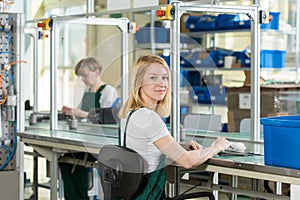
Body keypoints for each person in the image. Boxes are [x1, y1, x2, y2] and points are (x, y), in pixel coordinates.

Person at [118, 54, 231, 199]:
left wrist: (179, 146)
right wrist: (216, 147)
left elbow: (147, 147)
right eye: (153, 78)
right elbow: (187, 161)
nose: (162, 84)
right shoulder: (149, 118)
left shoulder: (131, 114)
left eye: (164, 78)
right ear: (139, 82)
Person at [60, 57, 119, 200]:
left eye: (85, 75)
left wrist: (82, 114)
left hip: (101, 141)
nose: (83, 79)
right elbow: (81, 113)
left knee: (72, 161)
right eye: (80, 76)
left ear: (96, 72)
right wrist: (72, 112)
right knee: (64, 160)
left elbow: (108, 118)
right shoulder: (87, 91)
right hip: (86, 137)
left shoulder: (108, 91)